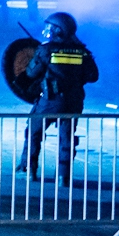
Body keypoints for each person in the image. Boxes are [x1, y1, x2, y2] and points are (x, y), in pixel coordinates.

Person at [17, 12, 99, 186]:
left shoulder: (46, 49)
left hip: (50, 101)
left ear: (59, 30)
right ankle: (64, 176)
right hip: (74, 102)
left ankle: (29, 169)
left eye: (50, 27)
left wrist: (36, 57)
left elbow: (31, 73)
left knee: (34, 132)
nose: (47, 30)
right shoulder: (82, 52)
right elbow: (93, 76)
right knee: (67, 138)